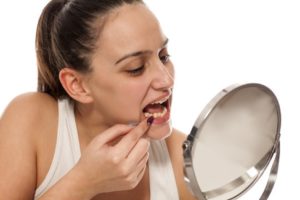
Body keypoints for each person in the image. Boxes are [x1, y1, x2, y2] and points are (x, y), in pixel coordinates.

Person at [0, 0, 197, 199]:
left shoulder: (185, 161)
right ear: (78, 85)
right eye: (136, 68)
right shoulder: (31, 121)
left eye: (164, 56)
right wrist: (84, 182)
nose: (167, 80)